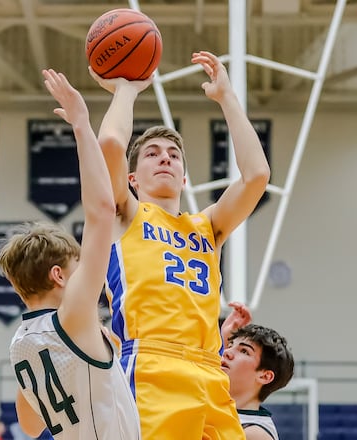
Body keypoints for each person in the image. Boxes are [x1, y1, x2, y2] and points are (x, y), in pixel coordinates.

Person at [91, 50, 271, 439]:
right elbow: (108, 143)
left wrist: (227, 97)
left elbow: (257, 175)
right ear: (133, 179)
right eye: (152, 154)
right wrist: (125, 90)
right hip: (151, 365)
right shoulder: (127, 214)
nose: (165, 159)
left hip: (208, 372)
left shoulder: (207, 226)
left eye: (174, 155)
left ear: (185, 178)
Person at [0, 68, 139, 440]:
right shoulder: (73, 317)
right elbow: (102, 211)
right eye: (78, 269)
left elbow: (30, 426)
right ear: (58, 275)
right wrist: (81, 124)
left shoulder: (20, 345)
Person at [220, 303, 296, 440]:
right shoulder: (220, 409)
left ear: (265, 376)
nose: (227, 352)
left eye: (244, 351)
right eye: (230, 346)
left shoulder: (256, 434)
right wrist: (224, 336)